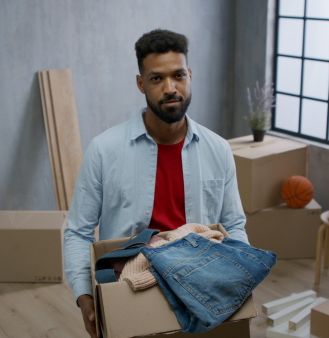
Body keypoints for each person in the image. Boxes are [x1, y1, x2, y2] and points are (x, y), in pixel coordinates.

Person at [63, 28, 248, 338]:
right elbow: (78, 231)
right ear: (140, 83)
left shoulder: (218, 149)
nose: (170, 88)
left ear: (190, 76)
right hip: (130, 287)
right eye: (156, 78)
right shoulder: (104, 149)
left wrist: (241, 279)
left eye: (178, 75)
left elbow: (234, 225)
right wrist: (84, 294)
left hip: (200, 285)